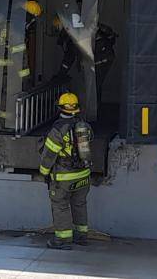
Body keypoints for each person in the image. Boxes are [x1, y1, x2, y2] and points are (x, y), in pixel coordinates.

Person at [38, 92, 91, 249]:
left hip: (63, 176)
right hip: (83, 174)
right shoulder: (84, 126)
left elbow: (48, 155)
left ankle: (62, 240)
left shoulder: (58, 129)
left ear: (60, 108)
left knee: (61, 206)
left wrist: (44, 172)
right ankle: (81, 236)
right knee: (80, 204)